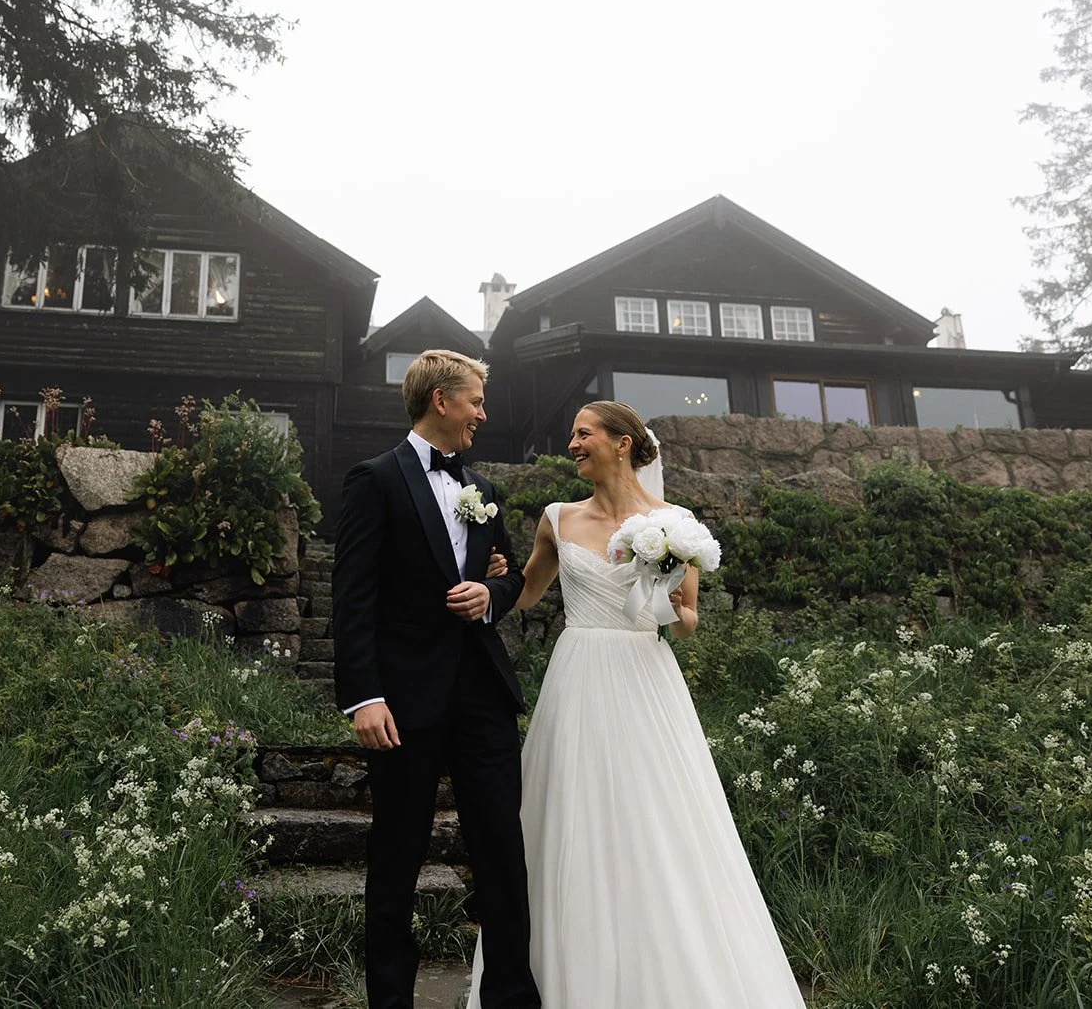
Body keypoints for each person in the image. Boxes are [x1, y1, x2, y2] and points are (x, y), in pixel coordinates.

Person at [468, 400, 807, 1007]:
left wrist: (673, 604)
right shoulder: (556, 518)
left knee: (657, 817)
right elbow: (525, 595)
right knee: (569, 817)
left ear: (622, 442)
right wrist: (492, 578)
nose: (571, 443)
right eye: (571, 433)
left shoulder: (676, 524)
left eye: (582, 433)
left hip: (645, 677)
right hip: (577, 678)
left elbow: (689, 622)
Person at [332, 349, 542, 1009]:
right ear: (441, 400)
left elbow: (510, 577)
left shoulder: (482, 490)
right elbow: (353, 596)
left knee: (504, 856)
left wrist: (491, 593)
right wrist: (364, 696)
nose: (483, 412)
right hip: (402, 700)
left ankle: (510, 997)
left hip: (482, 695)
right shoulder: (374, 479)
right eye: (476, 399)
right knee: (395, 859)